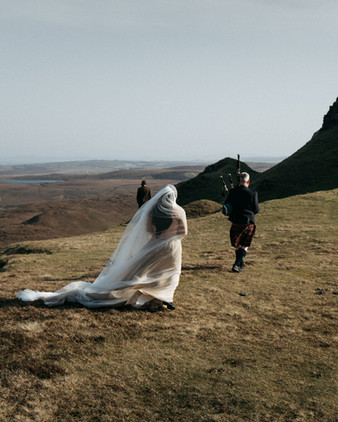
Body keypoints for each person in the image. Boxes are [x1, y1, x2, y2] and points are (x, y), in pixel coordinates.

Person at [16, 185, 187, 310]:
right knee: (167, 273)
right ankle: (162, 296)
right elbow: (183, 232)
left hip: (157, 245)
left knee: (136, 273)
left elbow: (149, 230)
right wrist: (171, 237)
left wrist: (159, 235)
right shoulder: (179, 212)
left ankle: (145, 296)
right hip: (173, 247)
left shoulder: (154, 212)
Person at [224, 172, 259, 272]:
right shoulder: (253, 193)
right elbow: (256, 210)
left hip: (235, 222)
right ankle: (236, 264)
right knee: (244, 245)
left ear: (239, 181)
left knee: (238, 244)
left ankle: (241, 263)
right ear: (248, 181)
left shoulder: (232, 192)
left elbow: (227, 206)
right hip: (248, 222)